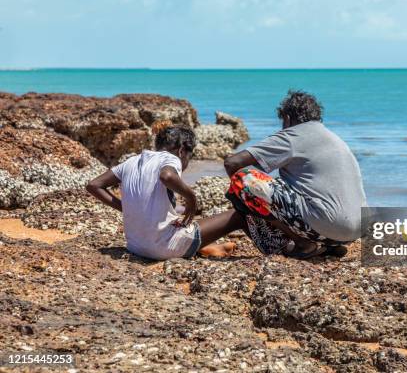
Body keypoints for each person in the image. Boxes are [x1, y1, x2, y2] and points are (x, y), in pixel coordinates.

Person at [223, 90, 367, 258]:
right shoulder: (334, 138)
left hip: (330, 224)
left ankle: (303, 243)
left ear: (287, 118)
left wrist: (244, 202)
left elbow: (232, 163)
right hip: (357, 229)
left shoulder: (294, 134)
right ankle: (329, 246)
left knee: (244, 178)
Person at [86, 125, 236, 260]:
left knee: (177, 219)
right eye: (189, 158)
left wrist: (127, 208)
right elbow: (167, 176)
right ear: (182, 150)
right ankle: (260, 254)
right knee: (238, 215)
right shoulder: (172, 158)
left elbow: (94, 185)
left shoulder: (132, 161)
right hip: (162, 248)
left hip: (135, 246)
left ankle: (205, 248)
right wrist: (191, 198)